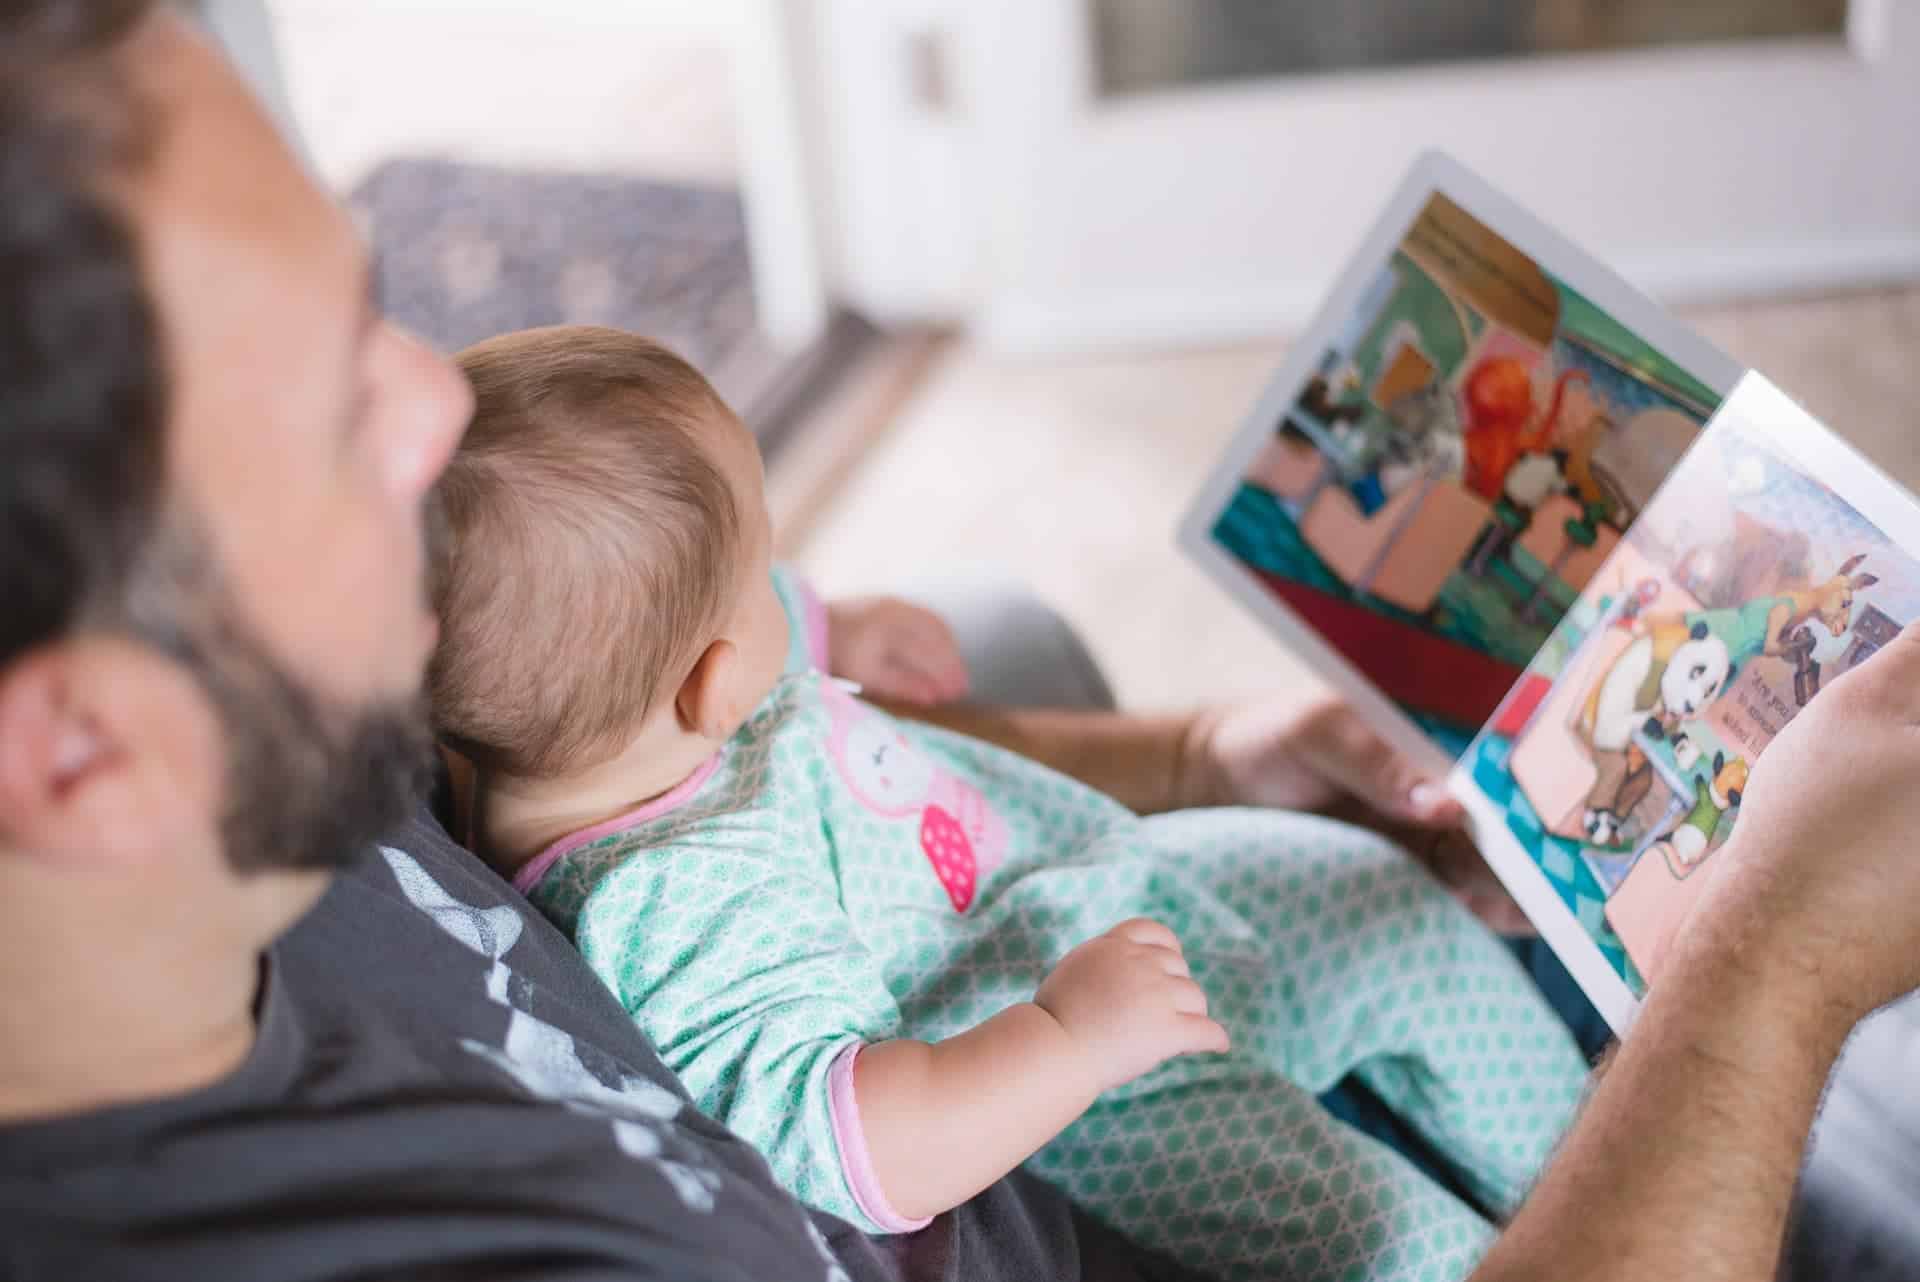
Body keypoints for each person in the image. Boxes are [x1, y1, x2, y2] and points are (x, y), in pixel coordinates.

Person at [2, 6, 1917, 1281]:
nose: (437, 404)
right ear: (83, 754)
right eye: (340, 409)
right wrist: (1773, 970)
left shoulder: (315, 707)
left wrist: (1191, 752)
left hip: (1143, 925)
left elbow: (780, 749)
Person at [426, 324, 1588, 1280]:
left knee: (1379, 894)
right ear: (713, 681)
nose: (784, 580)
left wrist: (836, 623)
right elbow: (857, 1141)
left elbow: (720, 621)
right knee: (1390, 1245)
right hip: (1107, 1086)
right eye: (764, 566)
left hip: (1101, 880)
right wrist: (1068, 1039)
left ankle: (1589, 1165)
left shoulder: (616, 713)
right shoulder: (678, 902)